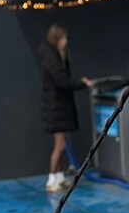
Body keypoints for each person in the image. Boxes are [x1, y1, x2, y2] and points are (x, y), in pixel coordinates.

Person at [38, 25, 93, 193]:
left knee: (61, 143)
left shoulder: (56, 57)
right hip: (55, 108)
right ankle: (51, 180)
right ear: (56, 39)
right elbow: (63, 82)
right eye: (63, 38)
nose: (66, 41)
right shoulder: (52, 59)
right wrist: (82, 84)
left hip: (58, 107)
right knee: (60, 145)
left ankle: (59, 177)